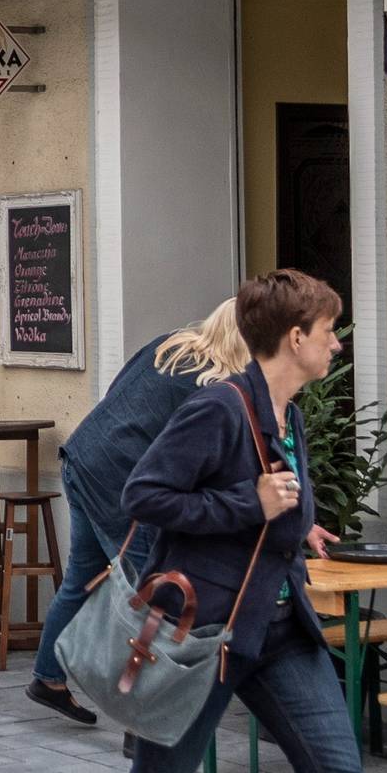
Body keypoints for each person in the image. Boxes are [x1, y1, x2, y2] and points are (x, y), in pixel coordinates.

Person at [103, 270, 376, 773]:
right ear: (296, 339)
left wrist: (295, 524)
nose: (336, 343)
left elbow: (276, 504)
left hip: (282, 632)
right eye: (329, 330)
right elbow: (144, 494)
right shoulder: (220, 409)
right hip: (204, 637)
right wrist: (247, 504)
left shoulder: (290, 415)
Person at [28, 300, 257, 725]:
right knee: (158, 595)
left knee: (81, 577)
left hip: (83, 457)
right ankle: (144, 713)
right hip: (123, 480)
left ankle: (48, 677)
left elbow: (118, 393)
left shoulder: (170, 344)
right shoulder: (215, 385)